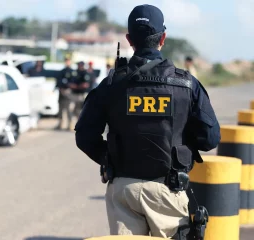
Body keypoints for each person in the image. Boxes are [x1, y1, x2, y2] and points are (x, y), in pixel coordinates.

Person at [74, 4, 220, 239]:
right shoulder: (186, 84)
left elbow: (84, 136)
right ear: (163, 37)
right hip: (168, 189)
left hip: (123, 189)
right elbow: (210, 138)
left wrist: (109, 157)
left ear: (129, 39)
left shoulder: (110, 85)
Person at [54, 57, 73, 130]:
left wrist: (69, 89)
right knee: (60, 109)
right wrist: (60, 89)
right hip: (61, 92)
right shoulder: (62, 71)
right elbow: (58, 81)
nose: (67, 62)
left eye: (68, 61)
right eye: (66, 61)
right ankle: (60, 124)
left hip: (68, 92)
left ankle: (70, 125)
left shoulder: (72, 72)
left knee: (68, 109)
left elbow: (73, 82)